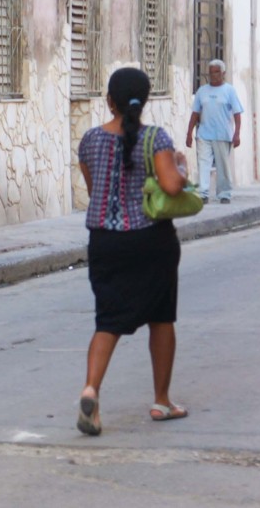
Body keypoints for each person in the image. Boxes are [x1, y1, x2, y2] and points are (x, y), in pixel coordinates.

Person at [75, 67, 190, 436]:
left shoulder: (90, 140)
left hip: (105, 243)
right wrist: (182, 168)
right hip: (150, 241)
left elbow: (96, 193)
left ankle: (91, 389)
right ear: (147, 99)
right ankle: (162, 401)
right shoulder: (155, 138)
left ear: (109, 101)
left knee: (107, 321)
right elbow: (172, 187)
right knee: (161, 317)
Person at [185, 59, 243, 204]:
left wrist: (237, 134)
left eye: (217, 72)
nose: (214, 75)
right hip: (204, 134)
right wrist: (189, 133)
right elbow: (195, 113)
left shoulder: (229, 90)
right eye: (211, 72)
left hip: (223, 134)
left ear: (223, 73)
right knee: (203, 163)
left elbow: (237, 114)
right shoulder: (202, 91)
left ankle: (224, 194)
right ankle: (203, 193)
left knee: (222, 165)